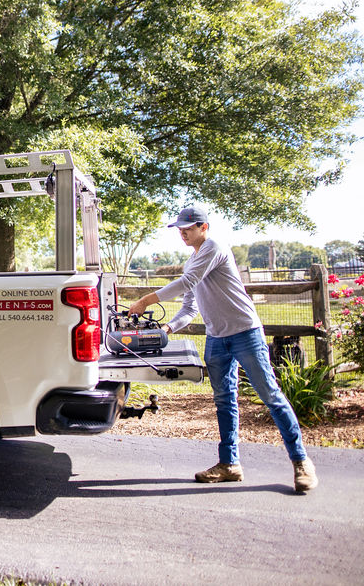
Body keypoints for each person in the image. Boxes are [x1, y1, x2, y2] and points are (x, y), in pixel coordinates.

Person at [128, 206, 318, 493]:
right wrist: (167, 329)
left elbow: (188, 283)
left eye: (188, 228)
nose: (183, 232)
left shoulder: (214, 247)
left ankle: (301, 462)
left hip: (245, 333)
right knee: (224, 401)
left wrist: (145, 301)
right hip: (217, 338)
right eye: (180, 228)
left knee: (270, 396)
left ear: (204, 227)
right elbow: (189, 308)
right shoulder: (191, 261)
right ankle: (229, 464)